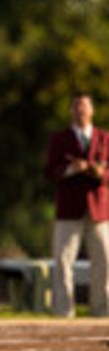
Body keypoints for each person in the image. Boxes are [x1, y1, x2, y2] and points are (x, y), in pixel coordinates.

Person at [45, 93, 109, 318]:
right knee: (63, 261)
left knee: (104, 261)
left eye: (84, 107)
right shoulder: (59, 139)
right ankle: (64, 311)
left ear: (92, 110)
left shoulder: (104, 137)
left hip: (99, 210)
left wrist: (98, 172)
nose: (81, 111)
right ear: (71, 111)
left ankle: (101, 311)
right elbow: (49, 172)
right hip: (69, 209)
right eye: (76, 107)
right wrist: (71, 170)